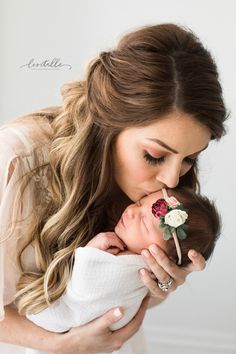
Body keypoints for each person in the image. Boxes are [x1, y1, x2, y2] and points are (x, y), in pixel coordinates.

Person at [0, 23, 228, 354]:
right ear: (109, 125)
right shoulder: (17, 159)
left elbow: (112, 302)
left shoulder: (160, 193)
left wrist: (155, 287)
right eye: (154, 155)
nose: (172, 180)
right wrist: (60, 345)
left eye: (190, 158)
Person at [25, 187, 221, 345]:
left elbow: (86, 284)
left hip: (67, 323)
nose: (131, 212)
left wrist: (92, 252)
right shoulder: (129, 256)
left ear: (166, 259)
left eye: (144, 223)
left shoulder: (134, 268)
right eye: (139, 203)